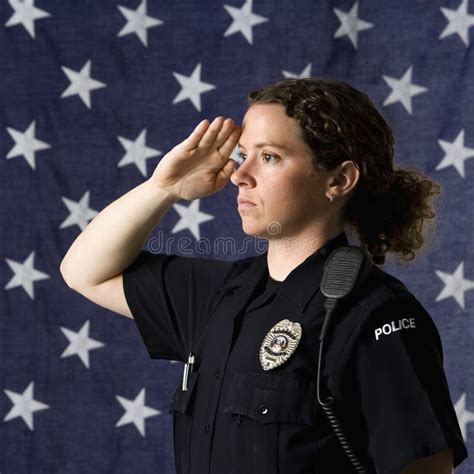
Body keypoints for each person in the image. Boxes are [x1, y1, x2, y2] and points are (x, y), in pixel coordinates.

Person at [60, 77, 468, 474]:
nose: (239, 174)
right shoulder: (216, 294)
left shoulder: (374, 313)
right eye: (241, 155)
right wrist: (164, 188)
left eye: (269, 157)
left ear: (339, 180)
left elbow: (426, 467)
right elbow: (83, 272)